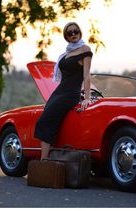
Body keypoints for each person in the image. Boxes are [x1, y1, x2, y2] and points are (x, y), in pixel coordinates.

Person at [34, 22, 93, 160]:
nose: (73, 34)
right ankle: (47, 158)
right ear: (66, 36)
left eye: (75, 31)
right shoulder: (67, 52)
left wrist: (87, 98)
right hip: (59, 92)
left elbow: (86, 75)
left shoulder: (85, 50)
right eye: (69, 33)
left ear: (80, 32)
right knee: (45, 121)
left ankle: (44, 160)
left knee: (45, 121)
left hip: (70, 93)